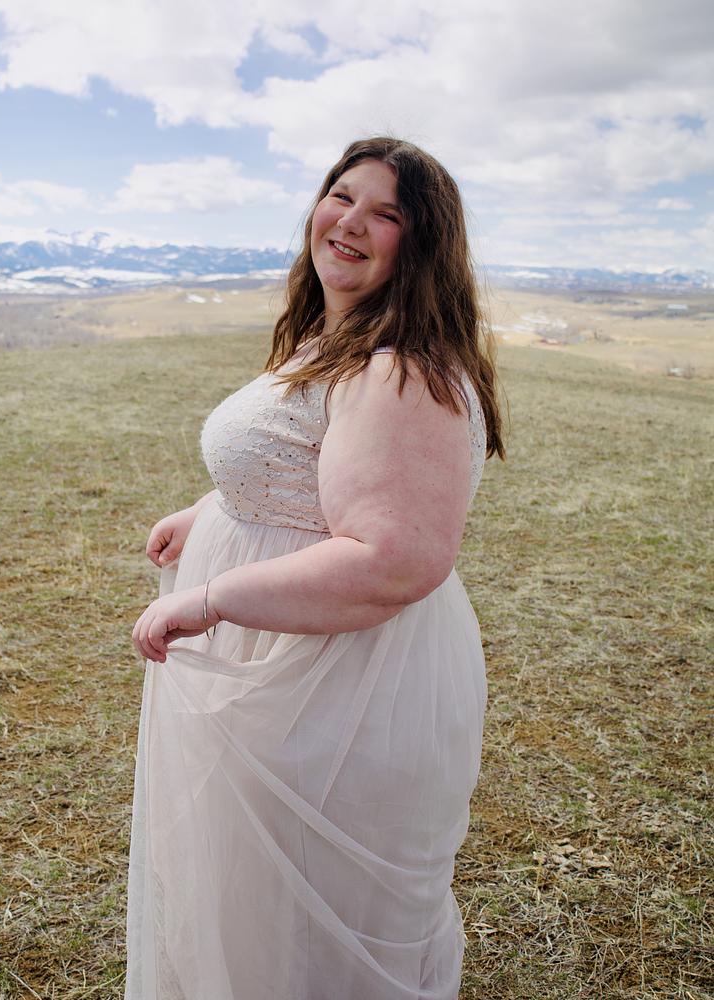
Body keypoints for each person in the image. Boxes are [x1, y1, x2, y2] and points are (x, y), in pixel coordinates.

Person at [125, 136, 505, 1000]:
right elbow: (306, 464)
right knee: (256, 898)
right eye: (342, 196)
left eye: (386, 213)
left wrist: (211, 599)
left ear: (423, 245)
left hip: (337, 679)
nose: (351, 222)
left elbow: (393, 559)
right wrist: (213, 511)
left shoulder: (401, 369)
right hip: (291, 659)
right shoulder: (336, 337)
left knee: (308, 906)